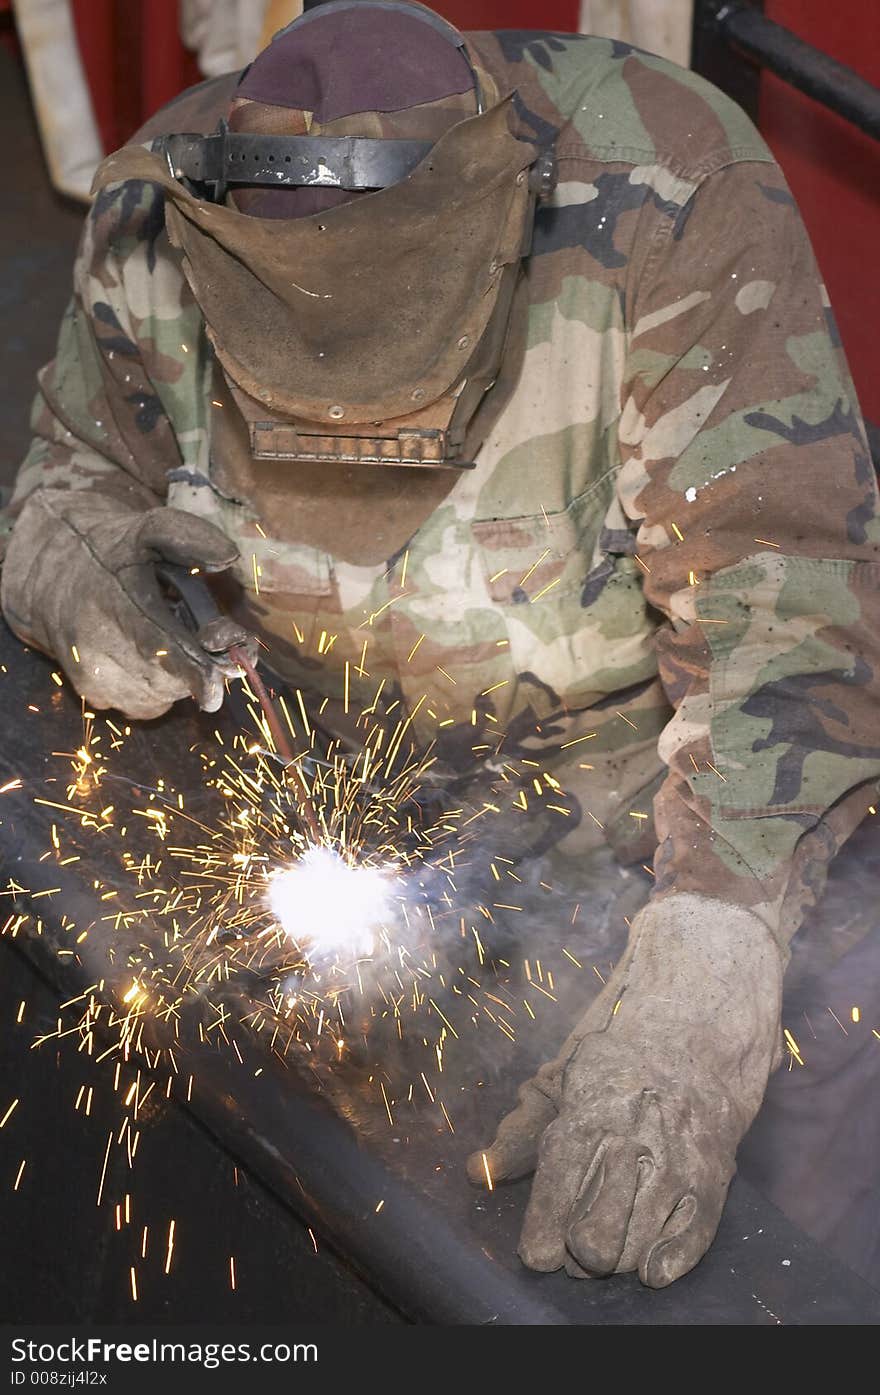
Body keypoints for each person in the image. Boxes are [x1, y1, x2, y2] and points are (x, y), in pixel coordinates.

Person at [2, 1, 879, 1289]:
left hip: (648, 809)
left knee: (799, 1130)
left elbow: (790, 604)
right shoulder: (155, 214)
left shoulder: (671, 192)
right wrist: (87, 578)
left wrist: (715, 948)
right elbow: (72, 476)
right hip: (335, 807)